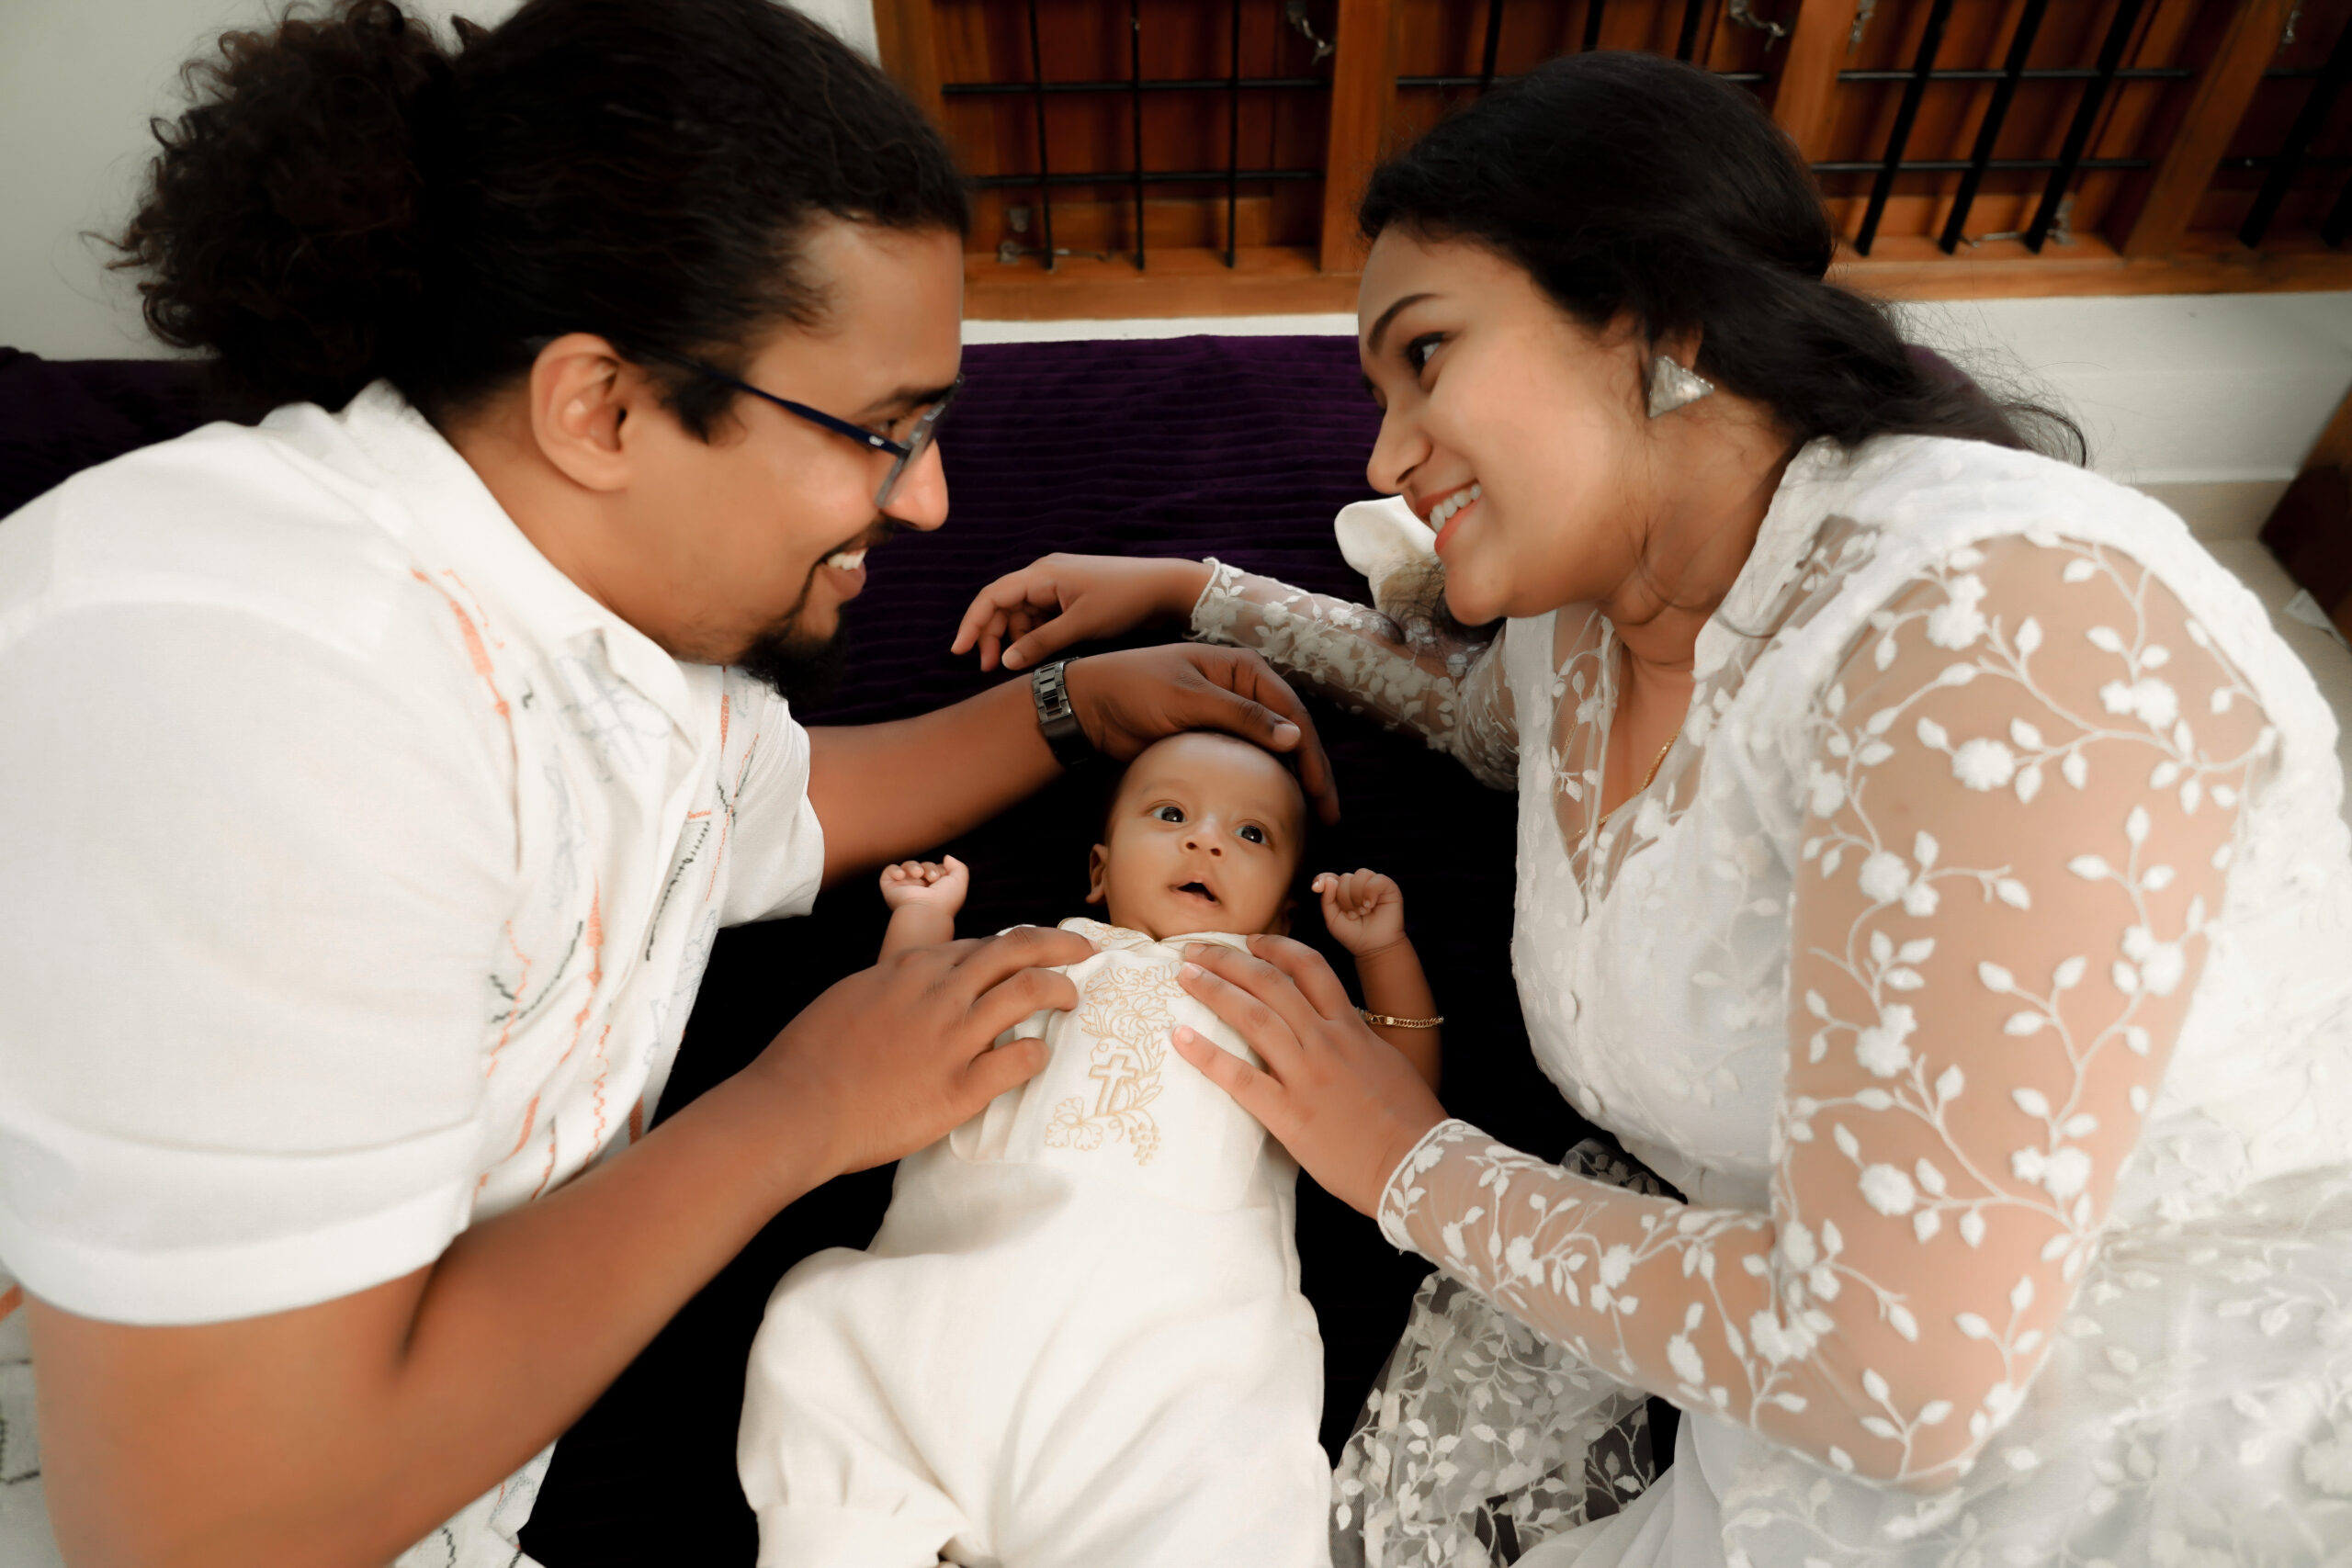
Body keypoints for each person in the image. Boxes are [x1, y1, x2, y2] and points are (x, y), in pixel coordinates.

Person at [950, 50, 2352, 1568]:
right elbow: (1482, 721)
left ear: (1662, 321)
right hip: (1768, 1349)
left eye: (1426, 354)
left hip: (2101, 1412)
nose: (1384, 456)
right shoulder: (1598, 598)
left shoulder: (2004, 633)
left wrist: (1403, 1154)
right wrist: (1201, 594)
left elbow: (1896, 1379)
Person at [0, 5, 1339, 1566]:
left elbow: (764, 807)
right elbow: (213, 1526)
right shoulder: (257, 684)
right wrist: (796, 1110)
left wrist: (1070, 705)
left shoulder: (583, 602)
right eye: (883, 431)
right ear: (605, 407)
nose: (929, 501)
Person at [736, 732, 1438, 1567]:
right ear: (1099, 870)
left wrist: (1381, 955)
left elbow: (1397, 1105)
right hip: (947, 1317)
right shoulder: (1034, 947)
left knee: (1224, 1492)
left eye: (1250, 833)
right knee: (823, 1357)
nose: (1204, 840)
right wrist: (922, 921)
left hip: (1170, 1366)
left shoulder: (1277, 1000)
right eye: (1170, 813)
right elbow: (902, 1024)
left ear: (1285, 915)